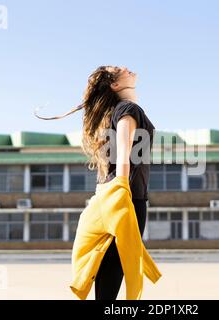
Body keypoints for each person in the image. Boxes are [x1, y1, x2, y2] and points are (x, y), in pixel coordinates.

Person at [34, 65, 156, 300]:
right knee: (117, 263)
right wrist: (122, 192)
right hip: (127, 196)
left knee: (111, 263)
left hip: (110, 194)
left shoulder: (117, 110)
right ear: (115, 84)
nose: (127, 68)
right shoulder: (128, 109)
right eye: (120, 69)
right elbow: (123, 151)